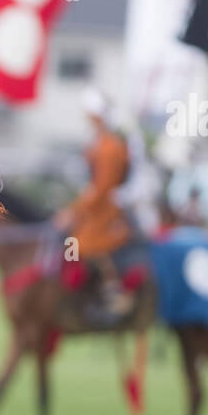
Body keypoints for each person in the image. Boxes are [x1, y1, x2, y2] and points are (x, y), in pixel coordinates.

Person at [53, 88, 133, 322]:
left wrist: (75, 210)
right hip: (94, 206)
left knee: (82, 243)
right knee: (70, 242)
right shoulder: (98, 143)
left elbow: (102, 188)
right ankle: (78, 289)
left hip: (106, 210)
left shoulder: (111, 146)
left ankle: (112, 291)